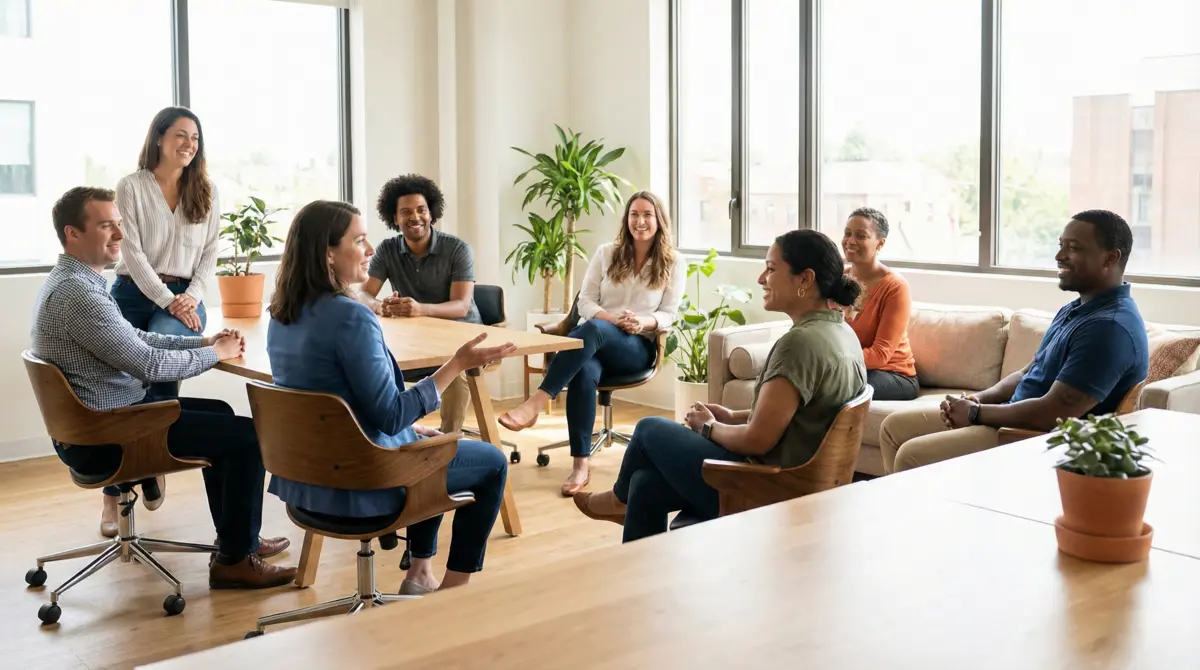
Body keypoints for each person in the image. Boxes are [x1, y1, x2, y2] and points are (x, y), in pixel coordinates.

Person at [32, 186, 295, 589]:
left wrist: (204, 343)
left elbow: (138, 339)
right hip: (111, 434)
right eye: (107, 225)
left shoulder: (73, 283)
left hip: (100, 424)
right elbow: (149, 364)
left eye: (119, 224)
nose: (119, 234)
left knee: (222, 416)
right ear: (73, 233)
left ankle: (238, 540)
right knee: (246, 437)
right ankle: (235, 563)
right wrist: (215, 354)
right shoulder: (78, 294)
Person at [267, 200, 514, 594]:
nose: (369, 250)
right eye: (359, 240)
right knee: (492, 461)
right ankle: (454, 594)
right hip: (365, 483)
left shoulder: (282, 315)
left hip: (307, 484)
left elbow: (336, 405)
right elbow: (390, 415)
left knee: (427, 443)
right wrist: (457, 363)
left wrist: (409, 433)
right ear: (328, 253)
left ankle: (419, 572)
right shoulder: (351, 317)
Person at [572, 230, 868, 542]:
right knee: (645, 484)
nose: (761, 278)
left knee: (648, 429)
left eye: (771, 268)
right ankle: (643, 567)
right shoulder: (842, 333)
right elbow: (795, 417)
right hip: (803, 484)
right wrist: (730, 415)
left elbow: (757, 441)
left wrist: (709, 428)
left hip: (766, 492)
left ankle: (618, 500)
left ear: (805, 279)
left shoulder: (799, 343)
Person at [879, 210, 1149, 474]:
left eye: (1073, 248)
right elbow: (1027, 372)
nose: (1059, 256)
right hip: (1008, 419)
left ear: (1110, 258)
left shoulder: (1109, 328)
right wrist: (976, 399)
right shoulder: (1077, 309)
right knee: (893, 428)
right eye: (1061, 246)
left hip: (1032, 437)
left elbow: (1052, 413)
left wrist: (976, 414)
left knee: (912, 456)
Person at [497, 191, 686, 497]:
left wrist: (641, 322)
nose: (640, 221)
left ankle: (536, 403)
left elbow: (669, 314)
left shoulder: (674, 262)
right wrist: (611, 320)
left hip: (637, 347)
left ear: (659, 220)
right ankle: (580, 465)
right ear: (626, 219)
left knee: (592, 331)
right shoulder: (607, 253)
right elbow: (585, 301)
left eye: (647, 214)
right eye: (634, 214)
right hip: (598, 338)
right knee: (585, 367)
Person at [98, 107, 221, 530]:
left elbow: (209, 254)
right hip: (134, 293)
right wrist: (167, 299)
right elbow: (129, 250)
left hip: (186, 296)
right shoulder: (130, 187)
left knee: (165, 371)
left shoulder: (205, 189)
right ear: (159, 138)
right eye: (181, 135)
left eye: (195, 138)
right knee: (119, 384)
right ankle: (113, 494)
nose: (189, 144)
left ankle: (153, 460)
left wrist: (189, 297)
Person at [354, 174, 480, 436]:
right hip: (418, 342)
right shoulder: (388, 250)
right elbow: (363, 294)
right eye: (406, 212)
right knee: (380, 364)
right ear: (395, 218)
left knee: (456, 375)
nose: (415, 217)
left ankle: (446, 445)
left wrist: (420, 309)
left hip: (462, 340)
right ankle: (398, 436)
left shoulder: (457, 249)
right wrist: (380, 306)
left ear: (431, 213)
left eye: (421, 210)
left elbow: (461, 306)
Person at [840, 207, 919, 401]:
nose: (850, 241)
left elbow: (880, 354)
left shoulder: (895, 286)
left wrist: (832, 361)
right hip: (851, 367)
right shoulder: (837, 279)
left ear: (880, 244)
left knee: (834, 384)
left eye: (861, 235)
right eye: (847, 234)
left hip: (895, 375)